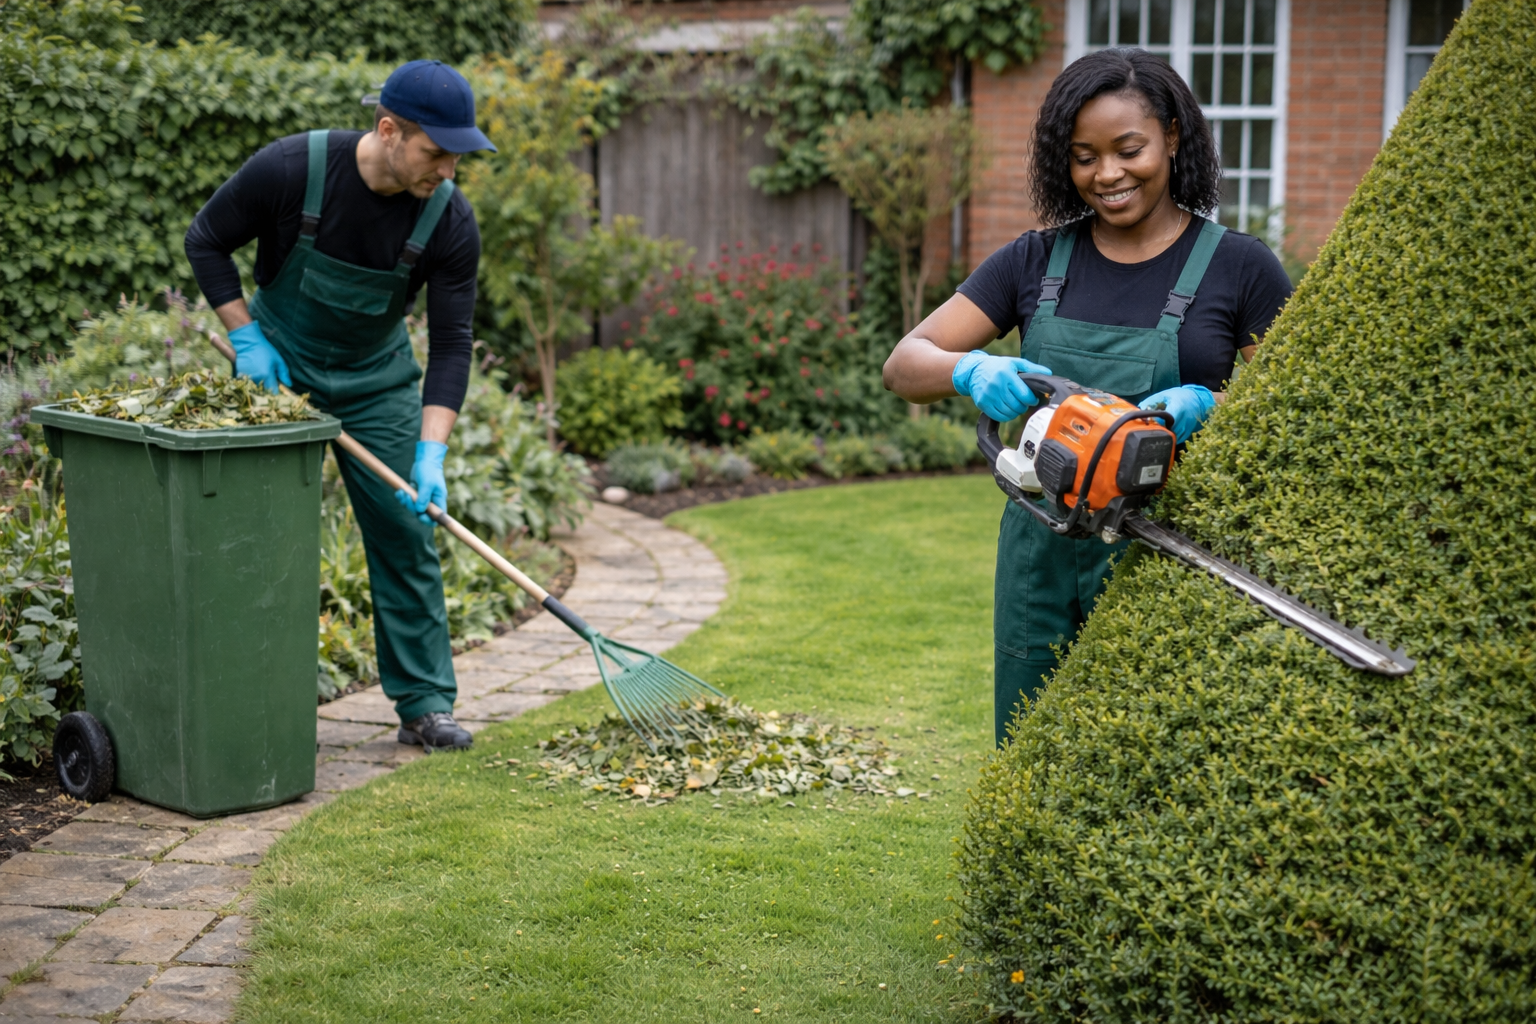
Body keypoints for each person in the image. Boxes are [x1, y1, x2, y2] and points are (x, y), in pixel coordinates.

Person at [883, 48, 1292, 747]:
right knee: (1030, 743)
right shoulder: (1036, 261)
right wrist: (970, 371)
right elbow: (904, 364)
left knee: (1152, 745)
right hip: (1042, 540)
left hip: (1164, 548)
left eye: (1127, 148)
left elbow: (1290, 418)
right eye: (1083, 156)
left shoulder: (1238, 268)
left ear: (1170, 135)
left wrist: (1215, 410)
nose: (1107, 174)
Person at [185, 60, 497, 751]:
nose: (448, 170)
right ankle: (241, 698)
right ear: (388, 131)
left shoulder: (449, 218)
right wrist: (246, 337)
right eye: (436, 152)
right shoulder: (293, 168)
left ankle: (424, 703)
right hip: (277, 370)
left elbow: (451, 343)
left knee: (405, 528)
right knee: (247, 534)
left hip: (375, 380)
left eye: (457, 155)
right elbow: (205, 240)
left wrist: (431, 452)